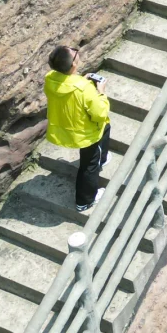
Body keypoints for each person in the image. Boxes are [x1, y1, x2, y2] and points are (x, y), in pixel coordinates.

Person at [44, 45, 111, 212]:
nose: (77, 52)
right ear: (73, 64)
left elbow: (67, 87)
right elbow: (100, 114)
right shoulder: (84, 88)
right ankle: (85, 200)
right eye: (74, 53)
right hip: (85, 133)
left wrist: (81, 79)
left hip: (64, 127)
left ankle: (103, 158)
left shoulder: (50, 78)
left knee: (106, 128)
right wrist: (101, 92)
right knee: (89, 165)